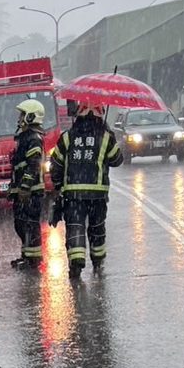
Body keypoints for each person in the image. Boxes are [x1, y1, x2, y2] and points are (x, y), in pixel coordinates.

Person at [49, 102, 123, 280]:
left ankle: (76, 263)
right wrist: (109, 134)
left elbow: (55, 164)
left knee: (75, 228)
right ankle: (97, 262)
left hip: (73, 195)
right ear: (100, 114)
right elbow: (117, 160)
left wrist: (59, 185)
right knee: (97, 228)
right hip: (97, 195)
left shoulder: (68, 137)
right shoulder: (105, 137)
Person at [8, 99, 46, 269]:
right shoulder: (25, 138)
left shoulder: (33, 139)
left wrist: (24, 188)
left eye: (22, 115)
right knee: (21, 224)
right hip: (24, 191)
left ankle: (34, 259)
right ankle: (26, 255)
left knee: (30, 224)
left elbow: (33, 165)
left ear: (30, 117)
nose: (19, 118)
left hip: (31, 192)